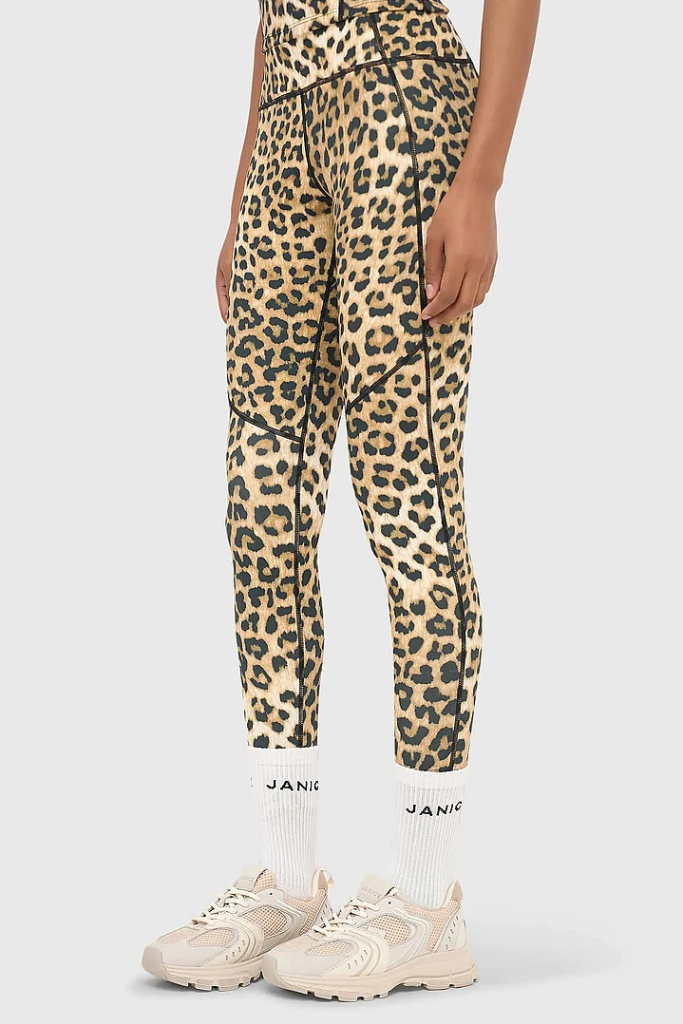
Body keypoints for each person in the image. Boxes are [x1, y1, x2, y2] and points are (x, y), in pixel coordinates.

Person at [143, 0, 539, 999]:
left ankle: (426, 899)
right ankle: (286, 880)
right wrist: (244, 193)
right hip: (284, 127)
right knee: (260, 505)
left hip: (397, 106)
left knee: (406, 499)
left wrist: (480, 179)